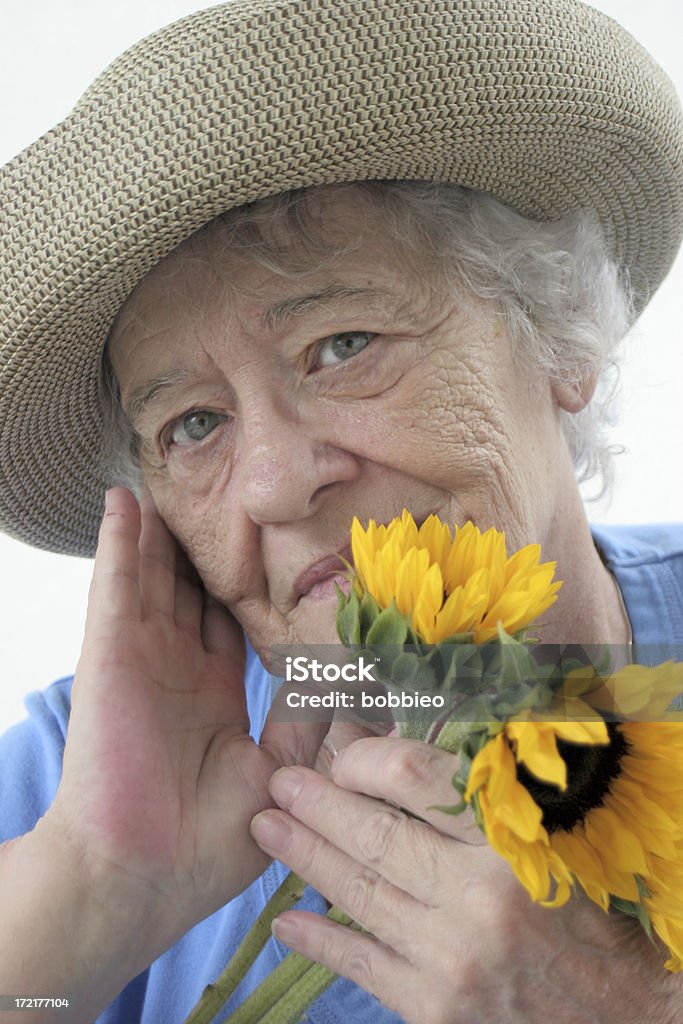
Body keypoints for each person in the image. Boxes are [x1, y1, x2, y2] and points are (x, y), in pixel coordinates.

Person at [1, 0, 682, 1021]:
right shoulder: (77, 773)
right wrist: (101, 887)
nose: (273, 483)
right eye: (193, 424)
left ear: (561, 342)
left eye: (342, 343)